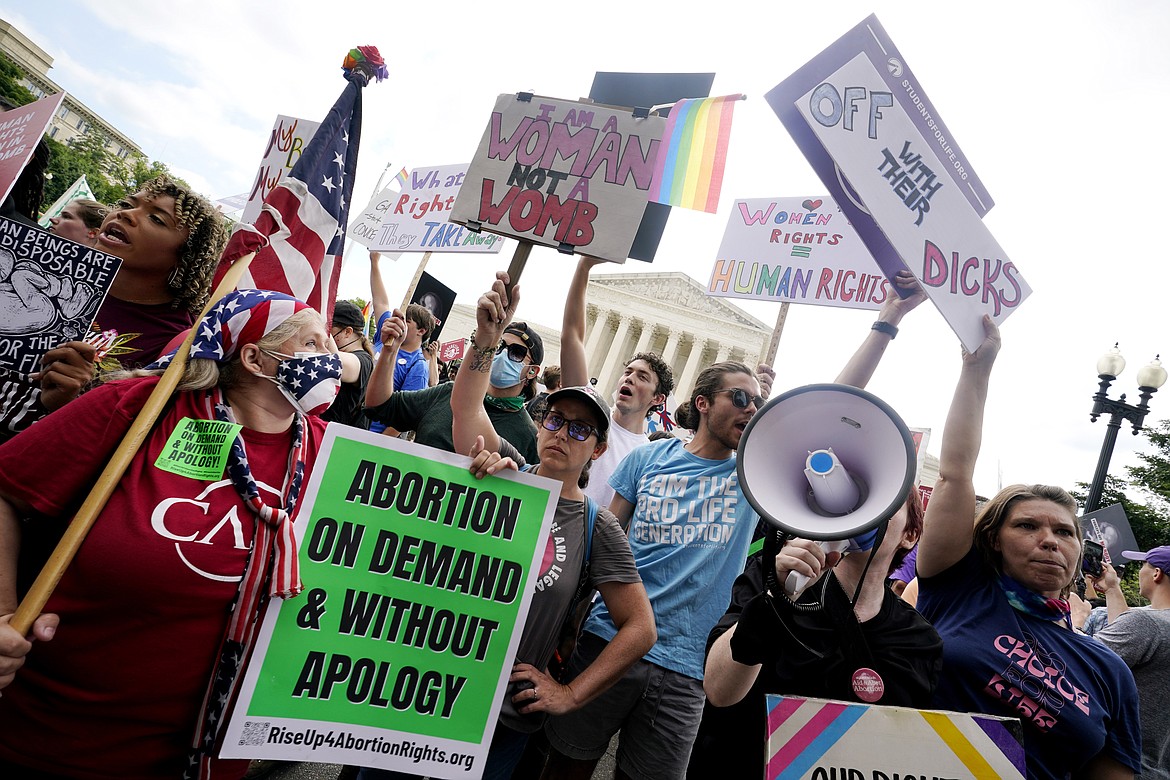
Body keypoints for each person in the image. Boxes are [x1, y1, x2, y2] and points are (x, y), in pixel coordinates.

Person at [0, 290, 340, 779]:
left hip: (204, 762)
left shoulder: (335, 453)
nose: (331, 359)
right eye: (314, 343)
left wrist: (486, 473)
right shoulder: (140, 409)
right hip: (51, 741)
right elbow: (6, 489)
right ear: (254, 357)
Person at [358, 271, 655, 779]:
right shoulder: (508, 471)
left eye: (581, 429)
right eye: (555, 420)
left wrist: (569, 694)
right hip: (425, 684)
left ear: (598, 449)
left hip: (501, 718)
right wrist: (487, 340)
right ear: (541, 424)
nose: (563, 433)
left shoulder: (597, 526)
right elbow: (465, 406)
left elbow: (640, 627)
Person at [691, 275, 936, 778]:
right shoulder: (772, 579)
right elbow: (719, 690)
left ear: (911, 532)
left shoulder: (918, 640)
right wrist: (774, 601)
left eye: (888, 503)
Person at [915, 317, 1141, 780]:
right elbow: (955, 472)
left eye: (1064, 532)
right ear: (994, 538)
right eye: (1028, 525)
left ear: (1080, 549)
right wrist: (977, 371)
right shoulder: (959, 590)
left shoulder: (1110, 671)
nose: (1049, 540)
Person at [542, 357, 769, 780]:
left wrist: (886, 324)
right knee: (565, 767)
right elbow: (598, 554)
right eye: (739, 397)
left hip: (687, 668)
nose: (750, 409)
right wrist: (572, 627)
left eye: (756, 402)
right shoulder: (647, 459)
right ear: (702, 402)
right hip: (608, 640)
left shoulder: (753, 477)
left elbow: (814, 419)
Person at [0, 175, 228, 442]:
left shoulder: (178, 344)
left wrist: (74, 401)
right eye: (126, 204)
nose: (125, 214)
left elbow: (125, 443)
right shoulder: (42, 271)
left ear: (186, 256)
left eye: (156, 219)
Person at [559, 256, 678, 511]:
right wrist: (584, 267)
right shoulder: (592, 416)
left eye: (642, 377)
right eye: (628, 372)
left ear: (658, 399)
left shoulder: (649, 457)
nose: (630, 378)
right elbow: (572, 337)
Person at [365, 302, 543, 462]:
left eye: (516, 353)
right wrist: (390, 352)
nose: (502, 355)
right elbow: (380, 405)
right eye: (499, 346)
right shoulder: (447, 393)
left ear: (532, 371)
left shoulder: (530, 438)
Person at [1090, 546, 1170, 779]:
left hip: (1116, 766)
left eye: (1143, 565)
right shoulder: (1152, 624)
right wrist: (1112, 588)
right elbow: (1132, 641)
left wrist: (1072, 619)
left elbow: (1079, 664)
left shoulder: (1147, 624)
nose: (1139, 571)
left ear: (1156, 574)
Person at [321, 299, 375, 429]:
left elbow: (337, 363)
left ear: (347, 332)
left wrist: (322, 333)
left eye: (329, 329)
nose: (326, 333)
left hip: (332, 439)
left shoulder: (364, 361)